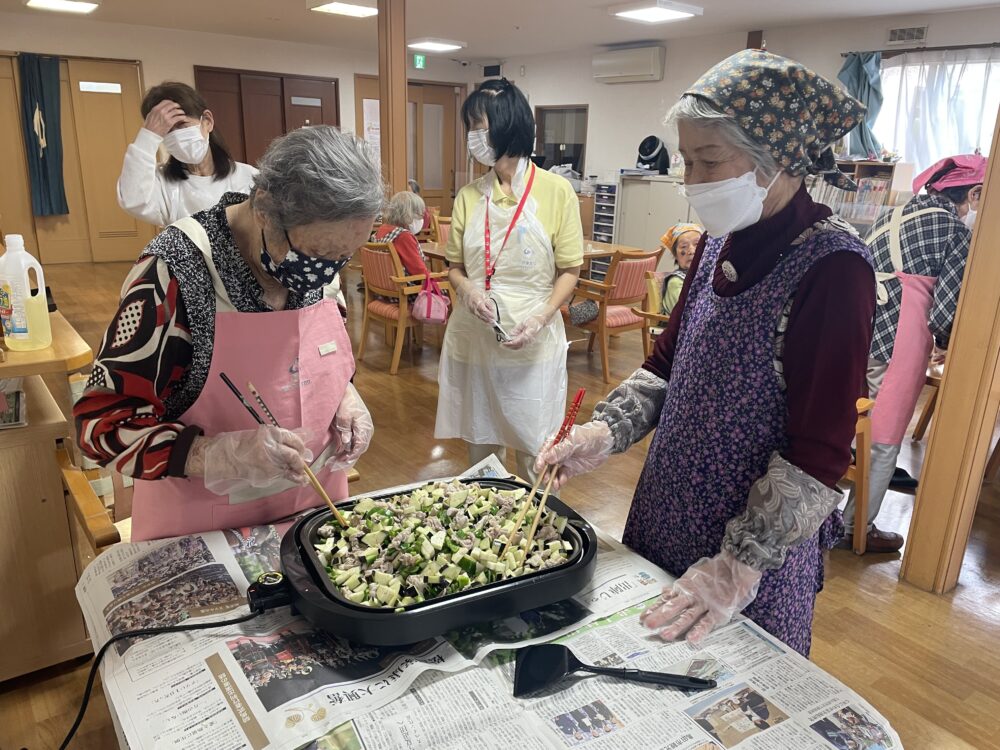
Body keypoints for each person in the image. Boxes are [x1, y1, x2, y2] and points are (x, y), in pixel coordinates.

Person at [536, 50, 876, 657]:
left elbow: (820, 449)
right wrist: (603, 433)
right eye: (686, 162)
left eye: (709, 161)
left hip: (748, 555)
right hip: (667, 505)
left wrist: (735, 567)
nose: (692, 182)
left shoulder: (833, 268)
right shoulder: (719, 241)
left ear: (778, 159)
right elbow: (668, 364)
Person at [76, 126, 380, 541]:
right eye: (317, 254)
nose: (325, 271)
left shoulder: (320, 264)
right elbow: (101, 426)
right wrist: (217, 456)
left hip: (312, 513)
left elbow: (321, 357)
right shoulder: (174, 272)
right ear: (264, 208)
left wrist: (345, 396)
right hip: (199, 526)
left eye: (342, 256)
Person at [435, 79, 583, 480]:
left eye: (478, 126)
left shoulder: (556, 191)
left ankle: (539, 536)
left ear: (506, 126)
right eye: (471, 128)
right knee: (482, 454)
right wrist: (467, 292)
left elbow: (570, 268)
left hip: (533, 341)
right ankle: (486, 535)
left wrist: (541, 317)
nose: (472, 137)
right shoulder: (469, 195)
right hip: (476, 335)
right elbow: (453, 268)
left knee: (536, 453)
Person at [843, 154, 986, 553]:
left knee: (850, 423)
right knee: (885, 435)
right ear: (974, 193)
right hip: (900, 338)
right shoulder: (954, 231)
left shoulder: (892, 213)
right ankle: (856, 529)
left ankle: (824, 515)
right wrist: (950, 345)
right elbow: (945, 311)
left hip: (859, 326)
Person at [118, 81, 257, 226]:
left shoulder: (249, 177)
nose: (176, 137)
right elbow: (133, 200)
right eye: (167, 130)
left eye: (181, 125)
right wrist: (148, 136)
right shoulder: (163, 184)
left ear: (207, 121)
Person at [373, 191, 432, 277]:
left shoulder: (382, 229)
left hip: (382, 283)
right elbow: (419, 272)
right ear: (409, 214)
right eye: (419, 214)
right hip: (404, 287)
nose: (421, 218)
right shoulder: (403, 236)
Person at [659, 222, 703, 315]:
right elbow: (685, 314)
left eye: (697, 245)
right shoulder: (676, 282)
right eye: (684, 246)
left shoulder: (706, 276)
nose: (691, 251)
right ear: (675, 255)